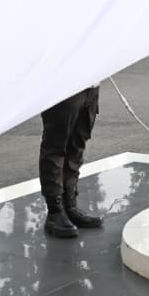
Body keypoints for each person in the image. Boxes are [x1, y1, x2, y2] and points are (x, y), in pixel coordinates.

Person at [40, 83, 104, 238]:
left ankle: (70, 206)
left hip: (91, 86)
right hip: (64, 86)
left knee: (77, 146)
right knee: (55, 147)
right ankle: (55, 212)